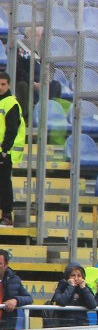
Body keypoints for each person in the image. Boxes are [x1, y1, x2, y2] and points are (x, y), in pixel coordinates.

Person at [0, 72, 22, 228]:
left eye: (3, 84)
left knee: (4, 183)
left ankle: (7, 216)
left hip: (4, 152)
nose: (0, 87)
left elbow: (12, 129)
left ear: (8, 85)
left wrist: (4, 149)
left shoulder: (11, 103)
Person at [0, 249, 30, 329]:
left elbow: (28, 298)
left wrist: (15, 300)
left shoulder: (14, 279)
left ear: (6, 265)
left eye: (0, 263)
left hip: (6, 326)